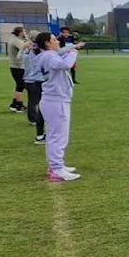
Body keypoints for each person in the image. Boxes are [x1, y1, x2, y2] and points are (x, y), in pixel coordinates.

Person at [32, 32, 87, 181]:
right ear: (47, 43)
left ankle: (56, 165)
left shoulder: (46, 56)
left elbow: (59, 58)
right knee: (59, 136)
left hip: (53, 99)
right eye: (54, 40)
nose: (57, 42)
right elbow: (64, 64)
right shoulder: (49, 56)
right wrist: (73, 52)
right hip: (56, 100)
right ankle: (56, 169)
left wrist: (70, 49)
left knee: (53, 135)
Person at [22, 41, 47, 143]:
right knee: (40, 105)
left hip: (31, 80)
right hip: (36, 81)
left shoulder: (27, 54)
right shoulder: (39, 56)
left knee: (36, 103)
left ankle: (40, 132)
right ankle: (39, 133)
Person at [6, 26, 29, 112]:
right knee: (20, 85)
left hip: (16, 66)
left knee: (19, 85)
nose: (25, 33)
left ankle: (14, 104)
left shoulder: (15, 39)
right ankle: (19, 106)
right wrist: (28, 41)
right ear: (20, 33)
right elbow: (25, 48)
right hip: (17, 66)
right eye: (24, 31)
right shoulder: (16, 41)